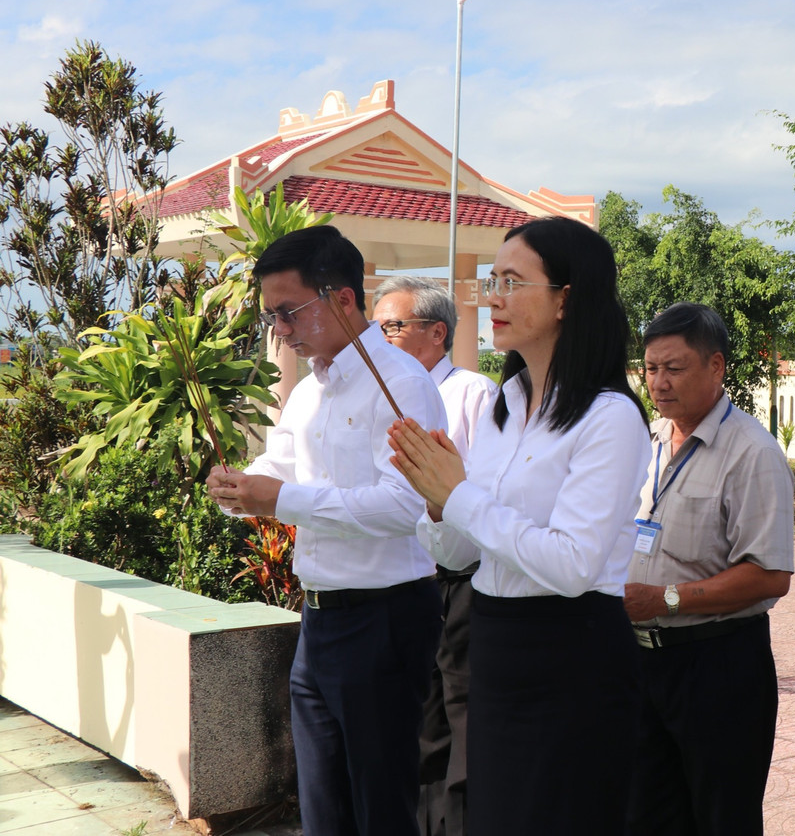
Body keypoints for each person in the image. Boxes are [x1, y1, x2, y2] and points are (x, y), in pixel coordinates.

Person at [386, 217, 650, 836]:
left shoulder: (609, 418)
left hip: (572, 652)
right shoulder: (506, 403)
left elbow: (570, 564)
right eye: (490, 280)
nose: (493, 297)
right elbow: (466, 546)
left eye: (512, 281)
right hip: (495, 646)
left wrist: (460, 495)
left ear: (567, 299)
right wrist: (435, 504)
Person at [207, 225, 447, 836]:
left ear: (342, 298)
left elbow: (406, 504)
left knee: (379, 804)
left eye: (289, 312)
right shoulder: (312, 388)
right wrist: (243, 489)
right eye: (272, 318)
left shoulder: (401, 383)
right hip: (320, 619)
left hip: (384, 617)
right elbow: (280, 466)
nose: (280, 330)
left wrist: (281, 498)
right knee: (322, 806)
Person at [623, 302, 795, 836]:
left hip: (716, 663)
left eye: (674, 368)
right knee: (643, 813)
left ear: (715, 366)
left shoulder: (751, 452)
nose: (659, 382)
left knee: (721, 817)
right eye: (650, 369)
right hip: (640, 663)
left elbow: (769, 575)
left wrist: (667, 599)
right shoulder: (646, 441)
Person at [373, 275, 496, 836]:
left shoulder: (471, 394)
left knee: (460, 724)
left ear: (436, 333)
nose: (380, 335)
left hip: (458, 579)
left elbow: (474, 495)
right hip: (402, 583)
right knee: (418, 729)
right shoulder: (380, 394)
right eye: (375, 325)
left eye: (393, 326)